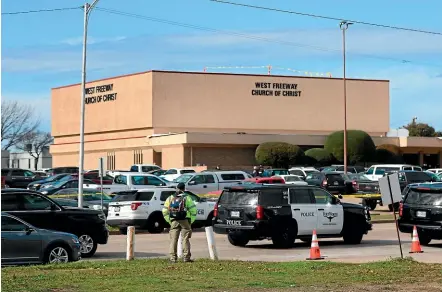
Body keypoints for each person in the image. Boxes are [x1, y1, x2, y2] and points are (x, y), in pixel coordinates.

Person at [162, 182, 197, 263]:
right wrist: (191, 220)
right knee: (185, 239)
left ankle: (173, 258)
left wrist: (170, 220)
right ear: (184, 189)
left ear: (177, 188)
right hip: (185, 220)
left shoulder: (170, 198)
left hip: (174, 220)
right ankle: (186, 258)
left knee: (173, 239)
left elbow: (164, 210)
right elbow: (193, 210)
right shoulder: (187, 198)